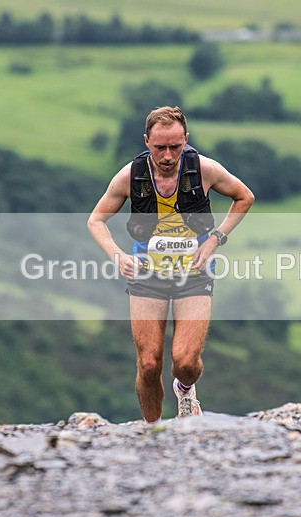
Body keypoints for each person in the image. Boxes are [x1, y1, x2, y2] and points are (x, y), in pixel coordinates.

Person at [88, 106, 254, 422]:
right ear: (146, 141)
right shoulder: (130, 176)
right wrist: (117, 254)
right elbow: (96, 220)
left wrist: (216, 238)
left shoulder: (204, 170)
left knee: (186, 362)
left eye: (175, 147)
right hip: (147, 274)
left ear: (185, 140)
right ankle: (153, 431)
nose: (167, 156)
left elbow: (244, 197)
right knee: (149, 363)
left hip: (194, 273)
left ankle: (185, 389)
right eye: (160, 147)